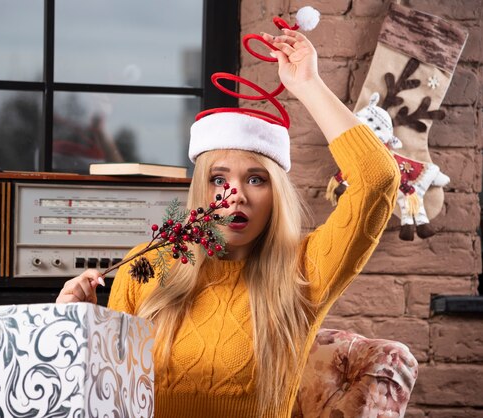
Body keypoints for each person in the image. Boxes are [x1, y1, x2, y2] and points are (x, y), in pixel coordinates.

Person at [56, 28, 400, 417]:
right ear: (201, 190)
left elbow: (379, 179)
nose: (234, 194)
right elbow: (105, 397)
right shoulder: (147, 266)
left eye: (256, 179)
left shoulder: (305, 269)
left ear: (276, 195)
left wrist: (307, 84)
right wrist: (73, 327)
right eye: (219, 179)